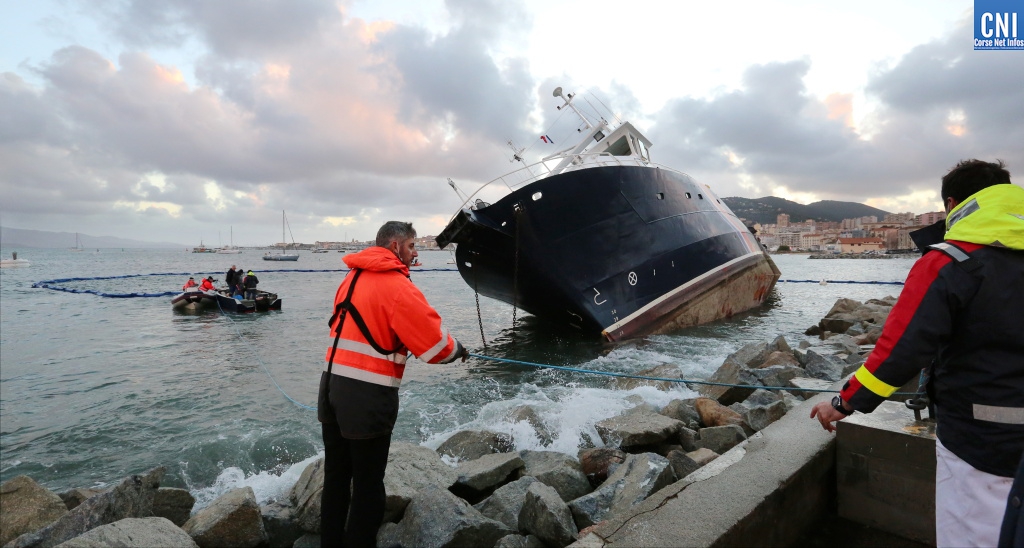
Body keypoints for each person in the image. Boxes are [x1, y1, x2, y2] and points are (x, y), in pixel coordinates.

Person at [810, 159, 1024, 548]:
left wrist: (844, 402)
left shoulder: (949, 261)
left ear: (952, 204)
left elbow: (900, 351)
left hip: (982, 439)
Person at [318, 221, 468, 547]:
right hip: (367, 397)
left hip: (331, 389)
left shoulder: (351, 278)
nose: (415, 253)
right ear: (395, 246)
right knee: (370, 486)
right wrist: (459, 351)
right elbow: (435, 346)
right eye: (412, 246)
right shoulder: (398, 287)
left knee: (337, 478)